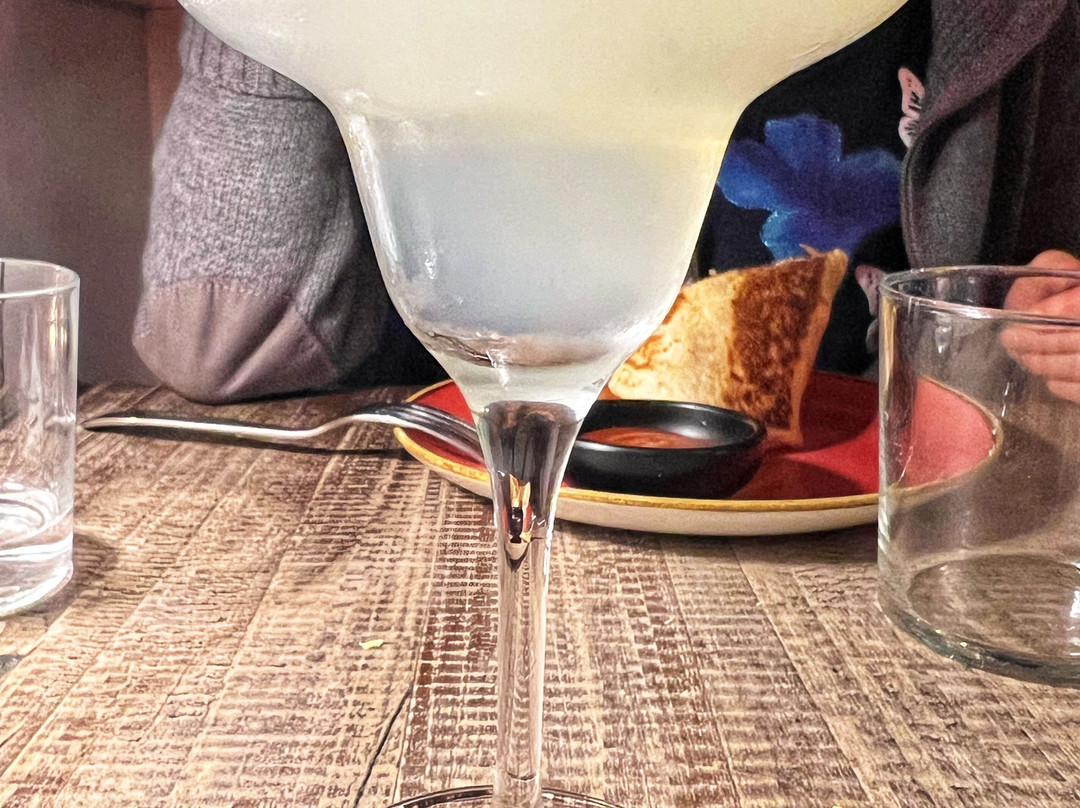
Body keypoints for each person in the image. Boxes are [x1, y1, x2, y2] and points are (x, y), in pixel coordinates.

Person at [135, 0, 1080, 403]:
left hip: (847, 544)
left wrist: (1016, 319)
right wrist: (277, 32)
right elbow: (224, 341)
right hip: (445, 508)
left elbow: (1017, 320)